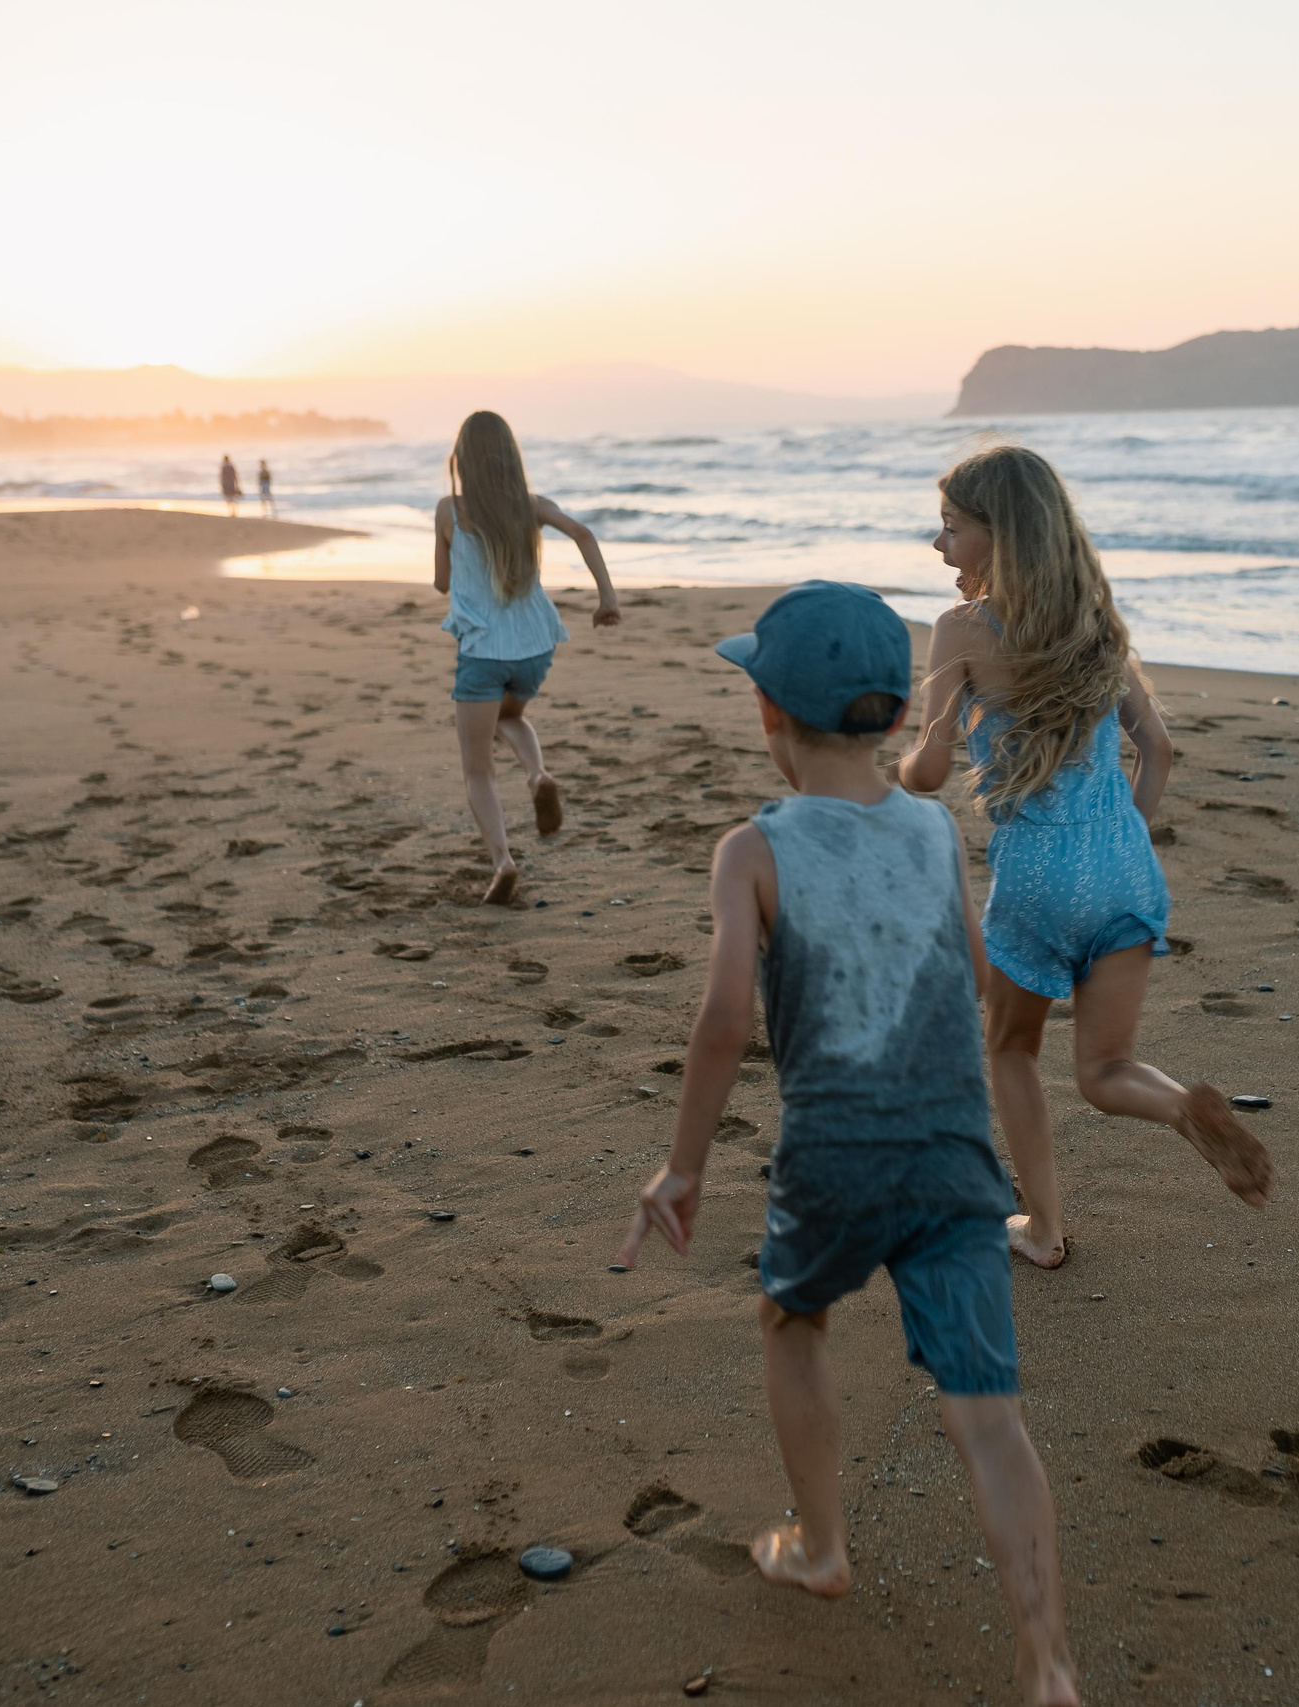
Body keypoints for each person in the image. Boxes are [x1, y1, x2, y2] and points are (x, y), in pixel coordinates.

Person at [619, 582, 1079, 1707]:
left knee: (793, 1318)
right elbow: (977, 970)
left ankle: (820, 1546)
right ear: (891, 716)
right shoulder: (931, 829)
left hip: (833, 1160)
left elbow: (726, 1019)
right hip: (952, 1162)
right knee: (988, 1413)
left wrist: (681, 1166)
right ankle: (1047, 1663)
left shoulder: (753, 850)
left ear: (768, 717)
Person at [891, 444, 1272, 1268]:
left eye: (951, 529)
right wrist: (1123, 837)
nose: (938, 545)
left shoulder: (959, 630)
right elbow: (1158, 749)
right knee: (1107, 1068)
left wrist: (911, 743)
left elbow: (926, 776)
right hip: (1126, 872)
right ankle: (1180, 1107)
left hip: (1035, 876)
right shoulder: (1098, 629)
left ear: (998, 537)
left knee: (1010, 1049)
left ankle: (1045, 1230)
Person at [434, 409, 620, 904]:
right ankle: (538, 774)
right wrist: (607, 599)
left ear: (463, 460)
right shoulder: (532, 505)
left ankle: (502, 862)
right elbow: (583, 533)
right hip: (535, 645)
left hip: (482, 651)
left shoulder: (449, 511)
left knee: (477, 770)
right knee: (511, 715)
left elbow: (442, 583)